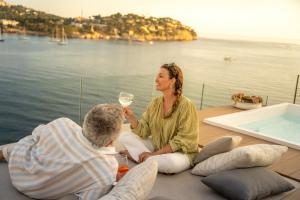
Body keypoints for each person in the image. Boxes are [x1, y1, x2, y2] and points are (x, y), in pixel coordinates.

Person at [0, 104, 123, 200]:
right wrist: (111, 181)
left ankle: (4, 153)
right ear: (110, 140)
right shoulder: (107, 169)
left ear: (86, 120)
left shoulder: (63, 123)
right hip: (36, 191)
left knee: (34, 139)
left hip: (17, 167)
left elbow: (36, 133)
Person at [119, 63, 199, 174]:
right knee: (124, 137)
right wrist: (131, 117)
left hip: (181, 153)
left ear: (172, 81)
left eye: (161, 76)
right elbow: (144, 131)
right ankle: (148, 160)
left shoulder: (186, 105)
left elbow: (182, 140)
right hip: (158, 146)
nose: (156, 79)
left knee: (170, 164)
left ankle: (139, 157)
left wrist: (153, 154)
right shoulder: (155, 103)